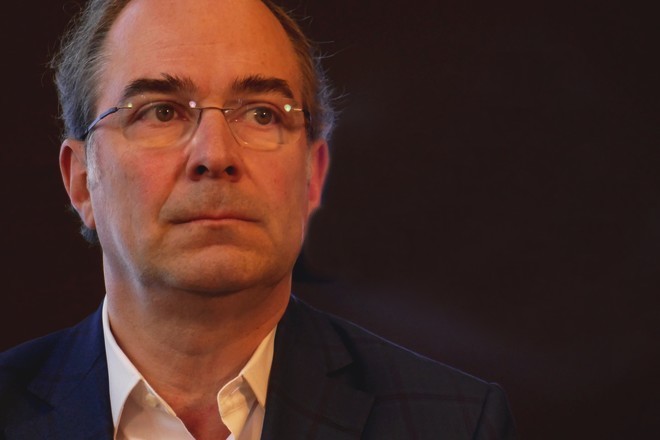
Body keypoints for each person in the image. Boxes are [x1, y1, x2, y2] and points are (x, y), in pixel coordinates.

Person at [0, 0, 516, 438]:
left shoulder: (454, 423)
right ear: (81, 180)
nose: (215, 155)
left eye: (262, 114)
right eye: (161, 111)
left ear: (312, 176)